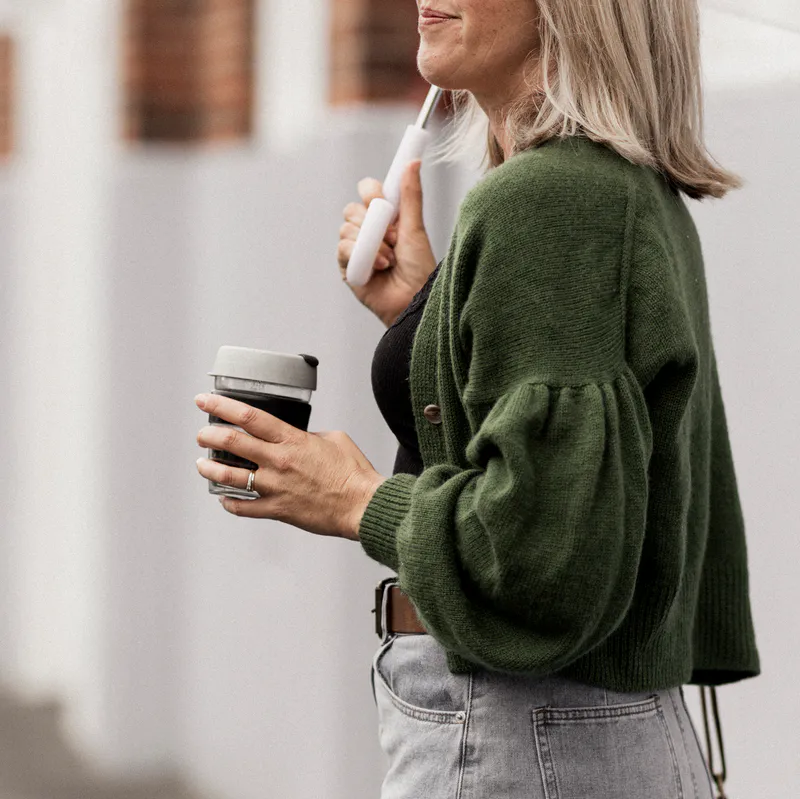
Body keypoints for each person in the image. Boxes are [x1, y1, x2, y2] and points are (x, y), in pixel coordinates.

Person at [194, 0, 760, 796]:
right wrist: (428, 313)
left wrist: (355, 497)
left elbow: (539, 559)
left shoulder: (547, 199)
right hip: (597, 736)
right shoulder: (626, 192)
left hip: (522, 734)